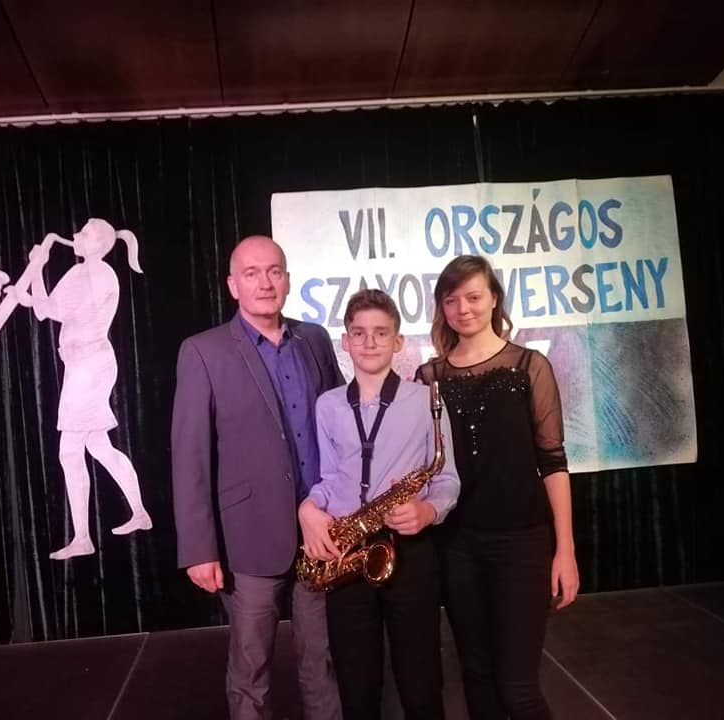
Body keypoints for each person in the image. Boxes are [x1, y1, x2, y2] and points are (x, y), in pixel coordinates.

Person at [171, 235, 344, 720]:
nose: (265, 283)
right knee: (251, 672)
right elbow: (189, 456)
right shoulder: (202, 351)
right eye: (252, 273)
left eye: (274, 271)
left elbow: (339, 428)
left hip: (321, 533)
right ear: (233, 285)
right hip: (246, 540)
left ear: (287, 280)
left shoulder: (314, 339)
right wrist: (199, 548)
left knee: (323, 664)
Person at [415, 255, 580, 720]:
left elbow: (553, 463)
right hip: (456, 546)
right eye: (451, 300)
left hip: (522, 543)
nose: (463, 308)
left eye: (473, 296)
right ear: (441, 308)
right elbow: (424, 464)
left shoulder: (529, 366)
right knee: (477, 677)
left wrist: (565, 551)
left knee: (518, 689)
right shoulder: (429, 378)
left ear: (494, 299)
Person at [299, 289, 460, 719]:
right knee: (357, 689)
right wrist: (309, 508)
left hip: (410, 550)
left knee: (421, 685)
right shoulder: (328, 405)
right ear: (345, 341)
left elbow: (446, 478)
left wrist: (428, 511)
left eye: (381, 332)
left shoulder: (426, 400)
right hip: (348, 552)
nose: (370, 342)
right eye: (359, 333)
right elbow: (329, 478)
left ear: (398, 341)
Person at [18, 218, 152, 560]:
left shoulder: (101, 274)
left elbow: (55, 311)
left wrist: (38, 270)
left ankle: (83, 537)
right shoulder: (80, 272)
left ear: (99, 244)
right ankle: (136, 514)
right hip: (81, 367)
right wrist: (37, 269)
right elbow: (44, 309)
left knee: (70, 451)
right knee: (98, 446)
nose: (76, 236)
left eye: (85, 234)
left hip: (90, 367)